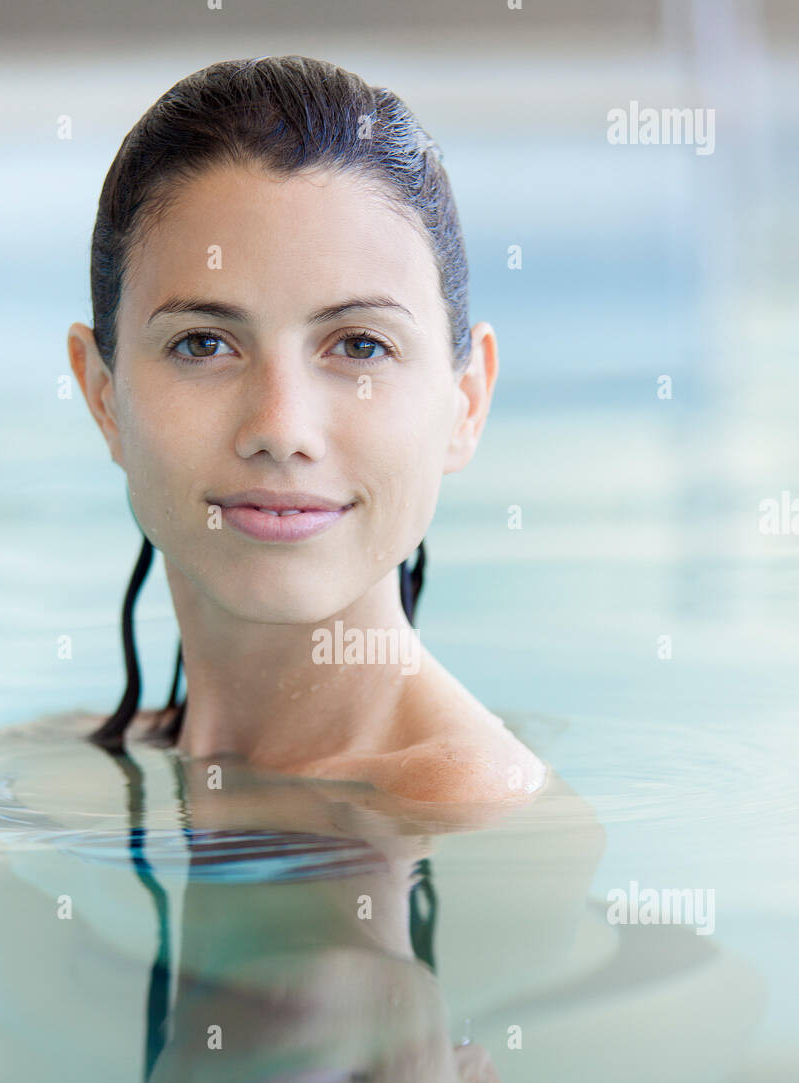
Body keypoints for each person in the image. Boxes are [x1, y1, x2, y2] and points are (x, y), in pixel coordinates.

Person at [67, 55, 546, 806]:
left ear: (466, 403)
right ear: (104, 397)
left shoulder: (467, 807)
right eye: (203, 344)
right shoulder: (61, 773)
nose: (281, 430)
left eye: (360, 346)